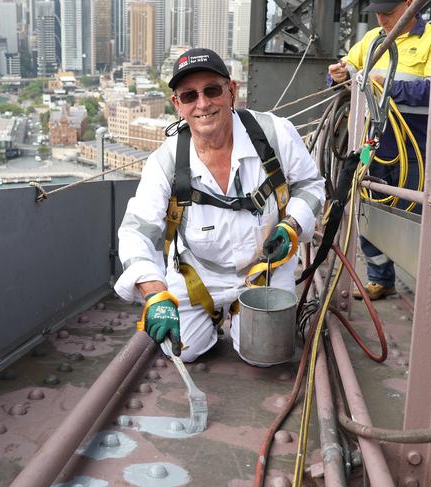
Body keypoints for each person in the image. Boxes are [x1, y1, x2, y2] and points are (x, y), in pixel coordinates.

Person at [115, 48, 325, 363]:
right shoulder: (167, 161)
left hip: (264, 269)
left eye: (212, 90)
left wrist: (292, 226)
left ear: (232, 91)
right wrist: (156, 294)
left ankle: (242, 324)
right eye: (189, 96)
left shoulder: (273, 134)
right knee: (182, 351)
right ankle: (210, 322)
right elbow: (136, 232)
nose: (202, 104)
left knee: (265, 354)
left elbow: (310, 185)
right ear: (177, 105)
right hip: (198, 274)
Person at [328, 0, 431, 300]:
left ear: (411, 5)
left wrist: (384, 84)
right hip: (373, 145)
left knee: (414, 213)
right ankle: (380, 278)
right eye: (378, 12)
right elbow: (347, 72)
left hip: (414, 147)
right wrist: (337, 74)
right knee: (369, 210)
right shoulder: (372, 40)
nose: (381, 19)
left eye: (388, 12)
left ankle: (428, 281)